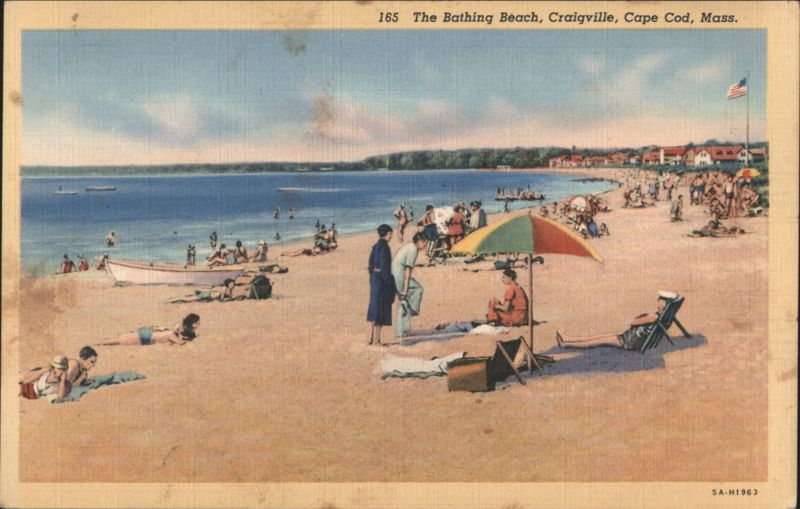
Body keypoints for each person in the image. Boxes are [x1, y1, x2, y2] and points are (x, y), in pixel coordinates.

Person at [556, 292, 677, 350]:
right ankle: (568, 338)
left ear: (664, 303)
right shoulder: (663, 316)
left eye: (660, 299)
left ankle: (566, 343)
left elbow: (633, 322)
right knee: (600, 337)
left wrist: (642, 317)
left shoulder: (653, 317)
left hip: (629, 341)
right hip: (630, 337)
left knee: (599, 340)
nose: (658, 301)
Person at [392, 232, 427, 338]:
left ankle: (403, 330)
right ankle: (411, 313)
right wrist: (406, 288)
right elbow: (408, 270)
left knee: (405, 300)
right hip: (399, 275)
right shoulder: (413, 249)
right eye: (424, 242)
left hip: (395, 273)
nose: (425, 244)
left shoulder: (410, 246)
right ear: (418, 241)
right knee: (416, 290)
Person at [367, 225, 396, 345]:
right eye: (390, 234)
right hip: (382, 281)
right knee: (380, 310)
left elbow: (370, 266)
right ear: (385, 234)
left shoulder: (375, 247)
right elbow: (385, 268)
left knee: (374, 308)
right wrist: (389, 282)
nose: (391, 236)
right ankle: (377, 340)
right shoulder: (385, 248)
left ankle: (370, 338)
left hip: (374, 279)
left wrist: (374, 276)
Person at [96, 313, 200, 346]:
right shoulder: (171, 335)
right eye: (197, 323)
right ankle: (97, 343)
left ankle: (99, 342)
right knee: (117, 341)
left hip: (147, 333)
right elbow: (180, 342)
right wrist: (188, 337)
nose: (199, 325)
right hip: (145, 337)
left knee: (117, 340)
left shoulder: (171, 331)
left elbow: (181, 324)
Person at [168, 279, 236, 303]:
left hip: (207, 294)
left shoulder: (226, 288)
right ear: (229, 284)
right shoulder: (224, 289)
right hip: (207, 295)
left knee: (190, 297)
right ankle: (174, 299)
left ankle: (174, 299)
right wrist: (228, 300)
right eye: (232, 284)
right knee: (189, 299)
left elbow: (229, 296)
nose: (233, 285)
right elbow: (221, 300)